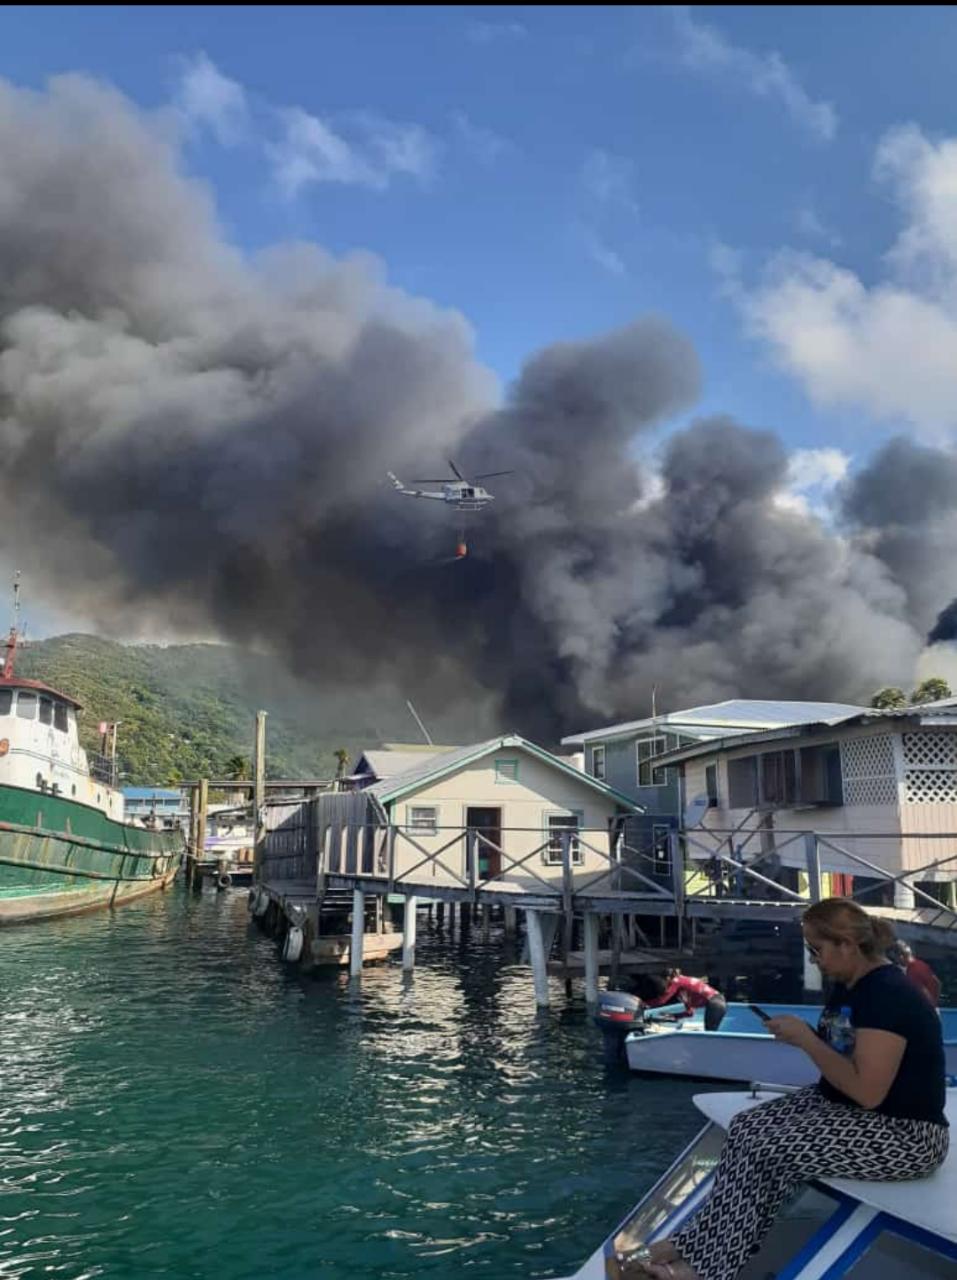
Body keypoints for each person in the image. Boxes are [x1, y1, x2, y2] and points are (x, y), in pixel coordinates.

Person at [611, 898, 949, 1280]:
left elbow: (867, 1092)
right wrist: (803, 1038)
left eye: (817, 949)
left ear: (847, 946)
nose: (814, 959)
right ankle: (689, 1243)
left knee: (769, 1147)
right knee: (745, 1128)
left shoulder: (889, 995)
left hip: (906, 1135)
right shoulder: (850, 985)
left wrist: (806, 1039)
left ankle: (704, 1269)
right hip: (848, 1108)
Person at [628, 968, 727, 1031]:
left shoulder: (677, 981)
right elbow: (690, 1013)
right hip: (717, 1001)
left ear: (667, 978)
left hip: (715, 1003)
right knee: (710, 1032)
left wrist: (641, 1003)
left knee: (709, 1034)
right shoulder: (684, 992)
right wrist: (674, 1016)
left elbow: (662, 1001)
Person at [888, 940, 942, 1008]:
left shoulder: (912, 972)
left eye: (896, 958)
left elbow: (922, 991)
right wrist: (934, 1004)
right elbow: (937, 983)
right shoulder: (922, 964)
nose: (896, 961)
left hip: (922, 1011)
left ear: (901, 957)